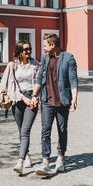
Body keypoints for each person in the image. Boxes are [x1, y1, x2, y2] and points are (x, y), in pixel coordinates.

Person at [31, 33, 78, 175]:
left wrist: (74, 99)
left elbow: (73, 80)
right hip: (47, 100)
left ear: (53, 45)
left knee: (62, 130)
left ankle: (60, 158)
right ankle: (45, 161)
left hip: (62, 101)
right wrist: (34, 95)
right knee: (45, 130)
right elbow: (40, 77)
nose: (43, 48)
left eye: (45, 45)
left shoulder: (68, 58)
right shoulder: (45, 57)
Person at [0, 40, 40, 176]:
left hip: (31, 99)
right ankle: (26, 155)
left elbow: (40, 82)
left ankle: (20, 162)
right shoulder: (12, 66)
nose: (28, 51)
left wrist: (34, 97)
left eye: (29, 49)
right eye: (25, 49)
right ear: (19, 51)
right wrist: (23, 98)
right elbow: (10, 86)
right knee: (21, 130)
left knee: (25, 130)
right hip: (17, 99)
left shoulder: (35, 64)